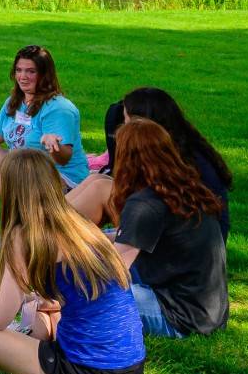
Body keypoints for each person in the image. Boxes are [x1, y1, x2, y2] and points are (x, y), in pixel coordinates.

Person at [0, 149, 146, 374]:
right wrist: (18, 299)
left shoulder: (22, 236)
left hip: (86, 370)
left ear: (10, 190)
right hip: (131, 366)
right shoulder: (78, 224)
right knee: (38, 313)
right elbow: (72, 294)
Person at [94, 120, 228, 338]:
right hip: (207, 311)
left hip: (179, 316)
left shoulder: (144, 205)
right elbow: (138, 240)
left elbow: (114, 271)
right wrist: (95, 239)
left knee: (85, 296)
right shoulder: (184, 189)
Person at [80, 87, 233, 237]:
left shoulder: (171, 156)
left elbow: (151, 203)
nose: (123, 127)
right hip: (182, 229)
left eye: (126, 121)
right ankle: (59, 230)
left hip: (186, 241)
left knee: (100, 188)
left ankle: (61, 235)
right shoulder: (182, 146)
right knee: (97, 179)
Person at [0, 45, 85, 195]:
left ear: (45, 74)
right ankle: (0, 188)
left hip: (59, 177)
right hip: (20, 165)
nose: (23, 76)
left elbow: (63, 159)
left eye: (31, 71)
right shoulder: (15, 101)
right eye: (19, 70)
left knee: (14, 173)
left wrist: (54, 145)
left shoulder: (58, 108)